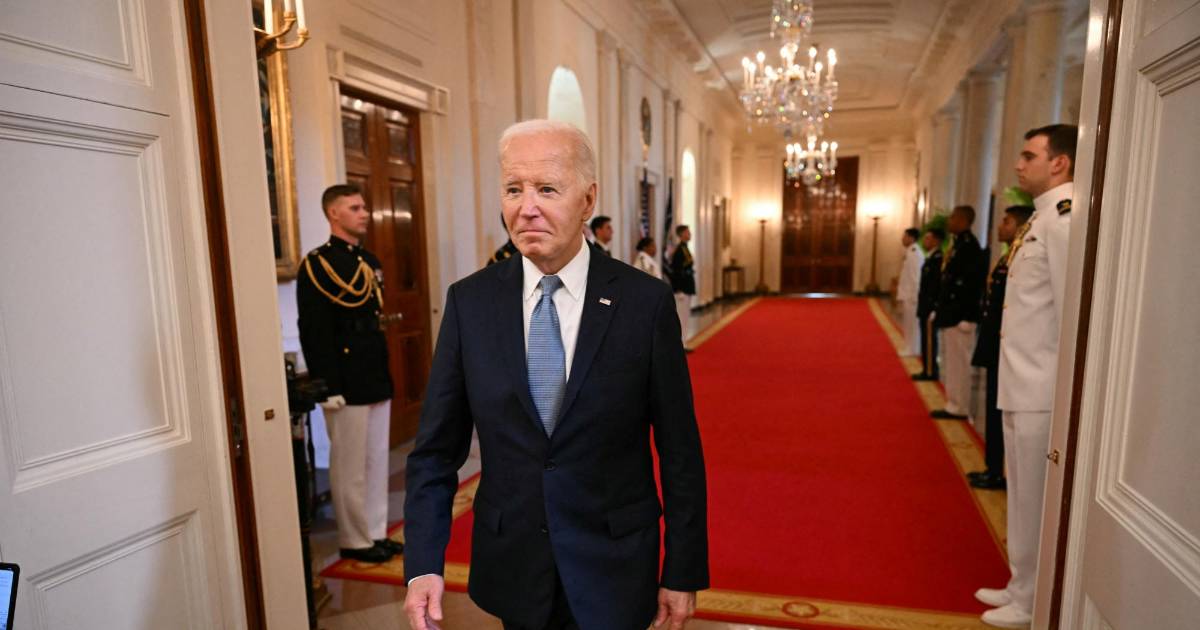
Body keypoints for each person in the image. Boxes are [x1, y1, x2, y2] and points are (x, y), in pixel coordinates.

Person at [403, 120, 709, 630]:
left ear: (587, 200)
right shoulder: (470, 303)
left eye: (547, 189)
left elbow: (680, 450)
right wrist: (423, 566)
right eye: (513, 189)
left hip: (614, 564)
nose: (527, 207)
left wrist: (682, 569)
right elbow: (435, 451)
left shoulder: (644, 302)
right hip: (515, 566)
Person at [975, 124, 1077, 628]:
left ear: (1059, 162)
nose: (1019, 165)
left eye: (1029, 155)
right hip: (1019, 380)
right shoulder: (1041, 218)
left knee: (1036, 499)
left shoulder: (1063, 220)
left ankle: (1033, 599)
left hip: (1041, 385)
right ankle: (1020, 584)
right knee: (1020, 494)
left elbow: (1071, 312)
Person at [296, 184, 402, 564]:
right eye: (355, 208)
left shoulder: (368, 260)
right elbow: (314, 330)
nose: (364, 213)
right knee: (350, 464)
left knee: (376, 460)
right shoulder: (317, 264)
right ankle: (353, 539)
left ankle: (375, 531)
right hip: (344, 376)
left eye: (364, 207)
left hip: (372, 371)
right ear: (333, 213)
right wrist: (327, 384)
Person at [967, 205, 1034, 491]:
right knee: (995, 410)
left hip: (1007, 347)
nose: (1000, 226)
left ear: (1019, 227)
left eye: (1006, 221)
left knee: (1001, 412)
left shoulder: (1019, 256)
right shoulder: (1009, 255)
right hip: (997, 344)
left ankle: (998, 471)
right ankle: (993, 467)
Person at [932, 206, 986, 420]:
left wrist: (966, 317)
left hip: (960, 316)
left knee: (960, 364)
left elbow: (972, 286)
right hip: (951, 314)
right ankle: (952, 403)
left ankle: (960, 406)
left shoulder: (970, 246)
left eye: (953, 217)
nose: (949, 221)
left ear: (963, 221)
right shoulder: (958, 244)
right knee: (951, 363)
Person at [912, 228, 945, 381]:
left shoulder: (938, 259)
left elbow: (937, 285)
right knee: (925, 339)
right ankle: (926, 368)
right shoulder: (931, 257)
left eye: (928, 238)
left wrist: (934, 307)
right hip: (925, 305)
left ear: (936, 241)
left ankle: (930, 371)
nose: (925, 241)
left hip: (930, 306)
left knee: (930, 340)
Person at [896, 227, 925, 356]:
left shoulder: (914, 253)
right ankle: (910, 347)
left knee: (912, 324)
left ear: (912, 238)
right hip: (908, 294)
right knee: (908, 323)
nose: (902, 239)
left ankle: (912, 349)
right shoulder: (911, 251)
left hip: (912, 296)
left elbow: (915, 276)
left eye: (905, 236)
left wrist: (914, 296)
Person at [669, 225, 695, 345]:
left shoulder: (685, 248)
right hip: (682, 288)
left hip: (687, 286)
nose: (689, 234)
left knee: (685, 317)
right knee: (681, 317)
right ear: (681, 234)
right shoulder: (679, 250)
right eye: (687, 232)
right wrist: (678, 289)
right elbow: (676, 271)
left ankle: (684, 342)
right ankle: (680, 344)